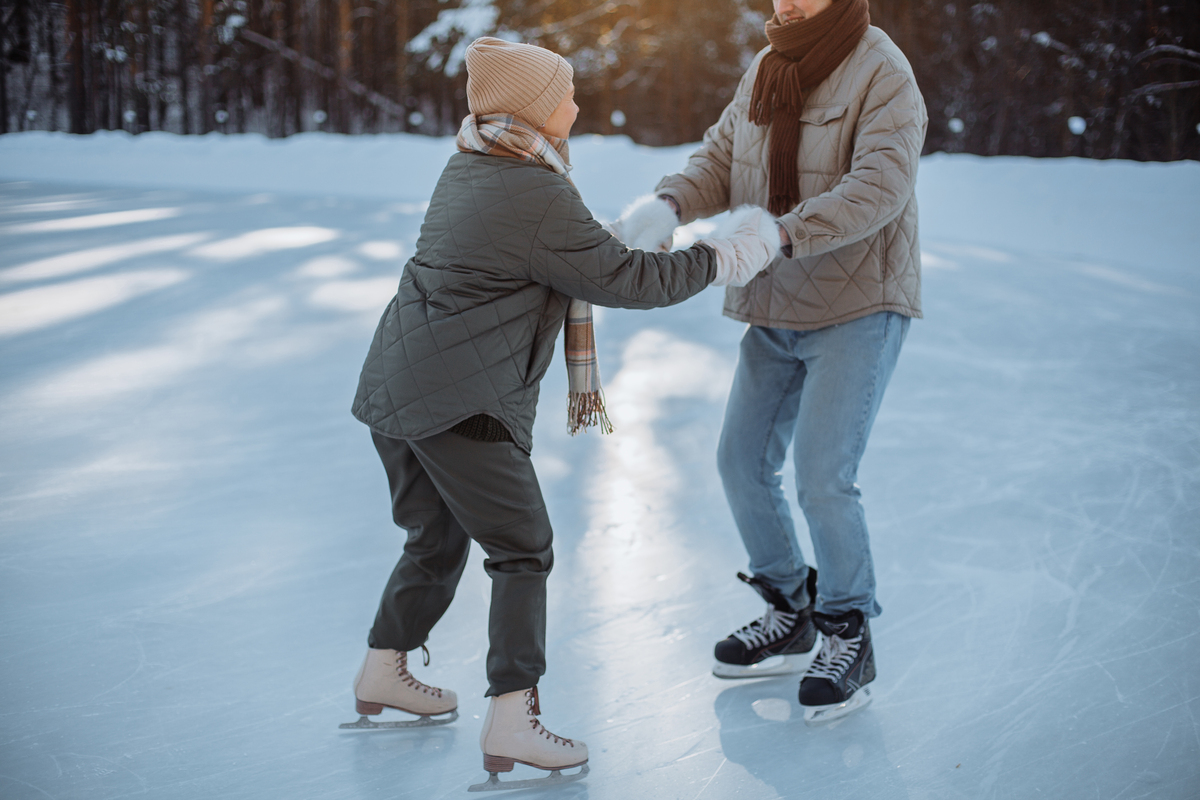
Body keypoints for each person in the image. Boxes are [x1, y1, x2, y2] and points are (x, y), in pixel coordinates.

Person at [345, 37, 781, 786]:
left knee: (435, 536)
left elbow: (563, 255)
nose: (574, 104)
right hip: (461, 400)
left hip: (396, 390)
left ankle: (384, 668)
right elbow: (623, 280)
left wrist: (627, 237)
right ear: (534, 108)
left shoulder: (475, 161)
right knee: (523, 547)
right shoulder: (535, 190)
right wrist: (723, 255)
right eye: (565, 93)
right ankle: (514, 714)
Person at [643, 0, 928, 723]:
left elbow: (879, 188)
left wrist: (779, 235)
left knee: (824, 478)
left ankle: (847, 630)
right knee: (740, 461)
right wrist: (668, 204)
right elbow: (721, 156)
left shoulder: (882, 71)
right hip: (775, 307)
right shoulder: (770, 66)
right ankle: (789, 607)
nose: (787, 4)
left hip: (858, 304)